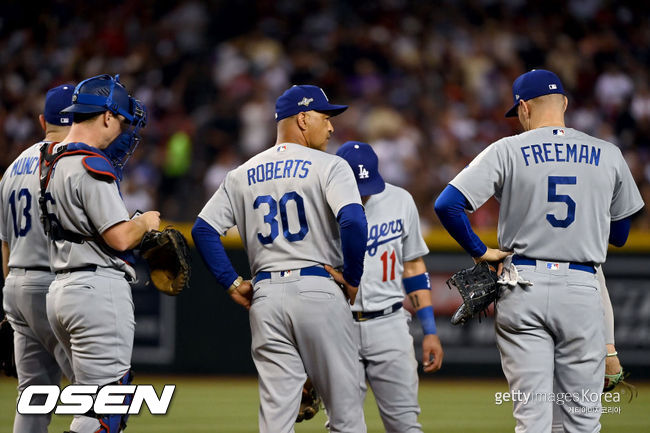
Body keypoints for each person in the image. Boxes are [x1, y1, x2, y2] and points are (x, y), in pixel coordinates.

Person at [434, 69, 644, 432]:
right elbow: (622, 234)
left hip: (522, 283)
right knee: (581, 420)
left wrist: (480, 250)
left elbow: (447, 205)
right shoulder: (608, 153)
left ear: (523, 108)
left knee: (533, 419)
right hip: (582, 285)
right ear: (563, 103)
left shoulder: (506, 149)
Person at [192, 85, 368, 433]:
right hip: (317, 288)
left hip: (266, 297)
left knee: (276, 419)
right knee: (346, 414)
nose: (332, 127)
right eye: (325, 117)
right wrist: (352, 276)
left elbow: (203, 229)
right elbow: (352, 220)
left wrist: (231, 282)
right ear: (303, 118)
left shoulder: (241, 173)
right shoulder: (331, 166)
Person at [42, 74, 159, 433]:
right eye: (122, 121)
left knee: (91, 407)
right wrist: (146, 222)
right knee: (102, 414)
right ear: (107, 116)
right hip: (95, 292)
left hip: (62, 290)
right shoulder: (89, 162)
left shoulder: (52, 159)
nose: (122, 131)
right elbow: (120, 238)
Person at [335, 141, 444, 432]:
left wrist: (430, 330)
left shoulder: (400, 200)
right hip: (338, 325)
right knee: (344, 426)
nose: (364, 192)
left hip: (390, 321)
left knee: (405, 425)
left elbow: (413, 266)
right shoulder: (321, 205)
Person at [0, 84, 76, 433]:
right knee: (98, 394)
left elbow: (4, 244)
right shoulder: (72, 160)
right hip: (55, 285)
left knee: (33, 397)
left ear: (43, 120)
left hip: (16, 283)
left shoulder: (13, 168)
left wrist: (11, 303)